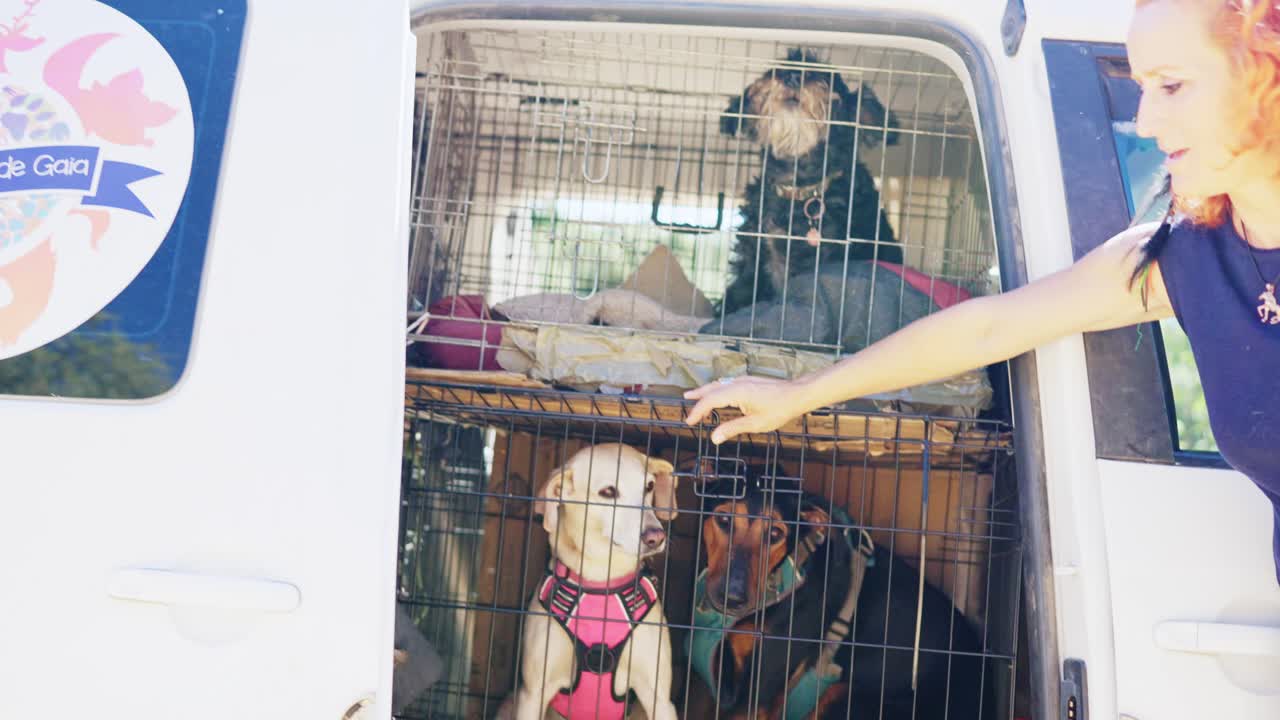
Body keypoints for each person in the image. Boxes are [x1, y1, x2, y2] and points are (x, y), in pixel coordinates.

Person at [684, 0, 1280, 581]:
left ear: (1266, 71)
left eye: (1171, 86)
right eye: (1141, 87)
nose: (1145, 121)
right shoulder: (1185, 253)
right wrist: (799, 393)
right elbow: (989, 326)